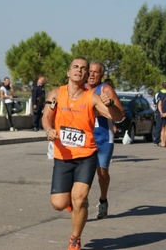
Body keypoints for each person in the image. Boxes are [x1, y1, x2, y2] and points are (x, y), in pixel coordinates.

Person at [42, 57, 124, 250]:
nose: (79, 70)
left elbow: (118, 117)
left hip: (86, 155)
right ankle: (72, 203)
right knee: (58, 204)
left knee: (80, 198)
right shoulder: (56, 94)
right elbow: (46, 116)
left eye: (84, 69)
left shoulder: (92, 97)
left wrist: (110, 103)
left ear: (87, 75)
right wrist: (48, 130)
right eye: (75, 67)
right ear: (68, 72)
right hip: (63, 156)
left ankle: (75, 238)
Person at [85, 61, 124, 220]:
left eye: (96, 72)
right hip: (86, 138)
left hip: (103, 138)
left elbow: (121, 113)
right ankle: (82, 203)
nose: (92, 74)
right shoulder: (82, 89)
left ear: (102, 75)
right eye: (90, 71)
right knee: (84, 173)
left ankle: (103, 200)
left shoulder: (106, 89)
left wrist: (109, 104)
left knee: (102, 173)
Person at [153, 81, 166, 146]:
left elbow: (154, 102)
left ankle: (156, 141)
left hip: (159, 112)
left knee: (158, 127)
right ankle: (164, 140)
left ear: (162, 86)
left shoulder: (158, 94)